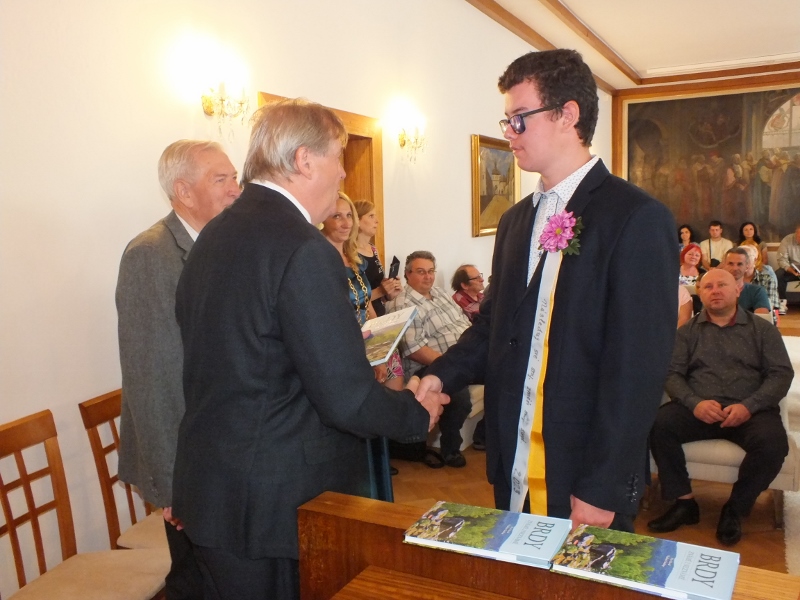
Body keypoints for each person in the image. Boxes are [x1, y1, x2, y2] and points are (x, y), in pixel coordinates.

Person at [171, 98, 449, 600]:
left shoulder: (213, 234)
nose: (343, 173)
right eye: (338, 157)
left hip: (212, 488)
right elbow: (345, 398)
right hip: (271, 503)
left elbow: (250, 357)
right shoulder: (304, 249)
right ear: (304, 160)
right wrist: (414, 413)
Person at [415, 49, 677, 531]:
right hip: (512, 457)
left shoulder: (635, 217)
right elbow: (495, 327)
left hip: (583, 470)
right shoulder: (515, 221)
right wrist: (441, 375)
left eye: (520, 118)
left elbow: (637, 370)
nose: (509, 132)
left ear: (567, 115)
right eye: (507, 120)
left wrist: (602, 487)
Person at [116, 140, 240, 600]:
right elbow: (152, 378)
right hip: (188, 465)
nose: (235, 189)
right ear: (183, 192)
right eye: (221, 179)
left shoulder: (219, 244)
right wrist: (173, 487)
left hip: (221, 452)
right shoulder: (150, 254)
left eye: (234, 177)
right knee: (196, 583)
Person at [648, 269, 792, 546]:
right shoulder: (687, 332)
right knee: (658, 424)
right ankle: (684, 503)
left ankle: (735, 509)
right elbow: (672, 374)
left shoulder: (763, 329)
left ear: (738, 289)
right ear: (700, 294)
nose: (715, 291)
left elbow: (781, 374)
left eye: (722, 285)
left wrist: (749, 406)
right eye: (708, 286)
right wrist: (695, 403)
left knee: (773, 444)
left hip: (750, 411)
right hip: (700, 409)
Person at [386, 251, 474, 468]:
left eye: (431, 271)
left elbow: (463, 322)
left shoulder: (440, 293)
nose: (428, 277)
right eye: (421, 272)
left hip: (463, 356)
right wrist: (453, 365)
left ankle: (486, 437)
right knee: (459, 394)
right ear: (407, 275)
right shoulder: (402, 303)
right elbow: (414, 349)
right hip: (428, 365)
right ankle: (451, 448)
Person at [353, 199, 401, 316]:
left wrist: (389, 292)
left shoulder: (373, 249)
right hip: (362, 317)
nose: (377, 221)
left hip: (379, 314)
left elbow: (379, 293)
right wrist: (381, 291)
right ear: (357, 220)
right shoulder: (349, 253)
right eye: (371, 216)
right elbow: (353, 298)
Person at [721, 248, 771, 315]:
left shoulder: (757, 291)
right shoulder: (715, 290)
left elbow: (761, 319)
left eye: (740, 264)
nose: (735, 268)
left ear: (747, 267)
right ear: (724, 265)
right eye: (730, 264)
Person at [740, 243, 779, 317]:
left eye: (747, 258)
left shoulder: (767, 279)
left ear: (755, 260)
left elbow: (769, 308)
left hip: (760, 319)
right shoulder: (731, 279)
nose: (743, 262)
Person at [776, 224, 800, 312]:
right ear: (796, 233)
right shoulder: (787, 240)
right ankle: (782, 303)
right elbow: (782, 259)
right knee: (778, 275)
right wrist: (790, 269)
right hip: (791, 268)